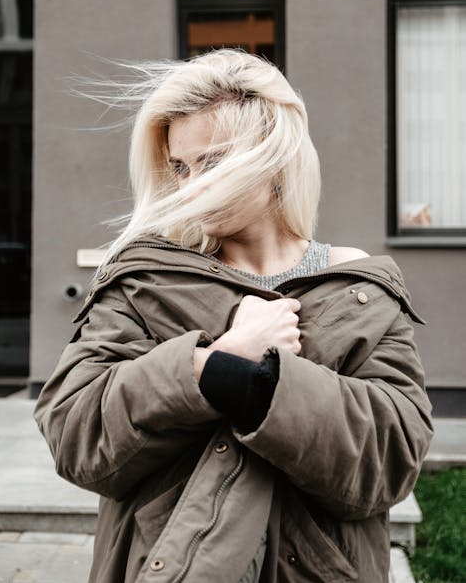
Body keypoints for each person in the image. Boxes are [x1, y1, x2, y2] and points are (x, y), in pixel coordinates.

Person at [34, 48, 433, 583]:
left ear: (274, 158)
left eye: (214, 162)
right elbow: (76, 436)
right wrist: (213, 364)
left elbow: (390, 461)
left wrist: (269, 383)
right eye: (181, 166)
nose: (191, 185)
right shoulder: (143, 280)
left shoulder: (359, 288)